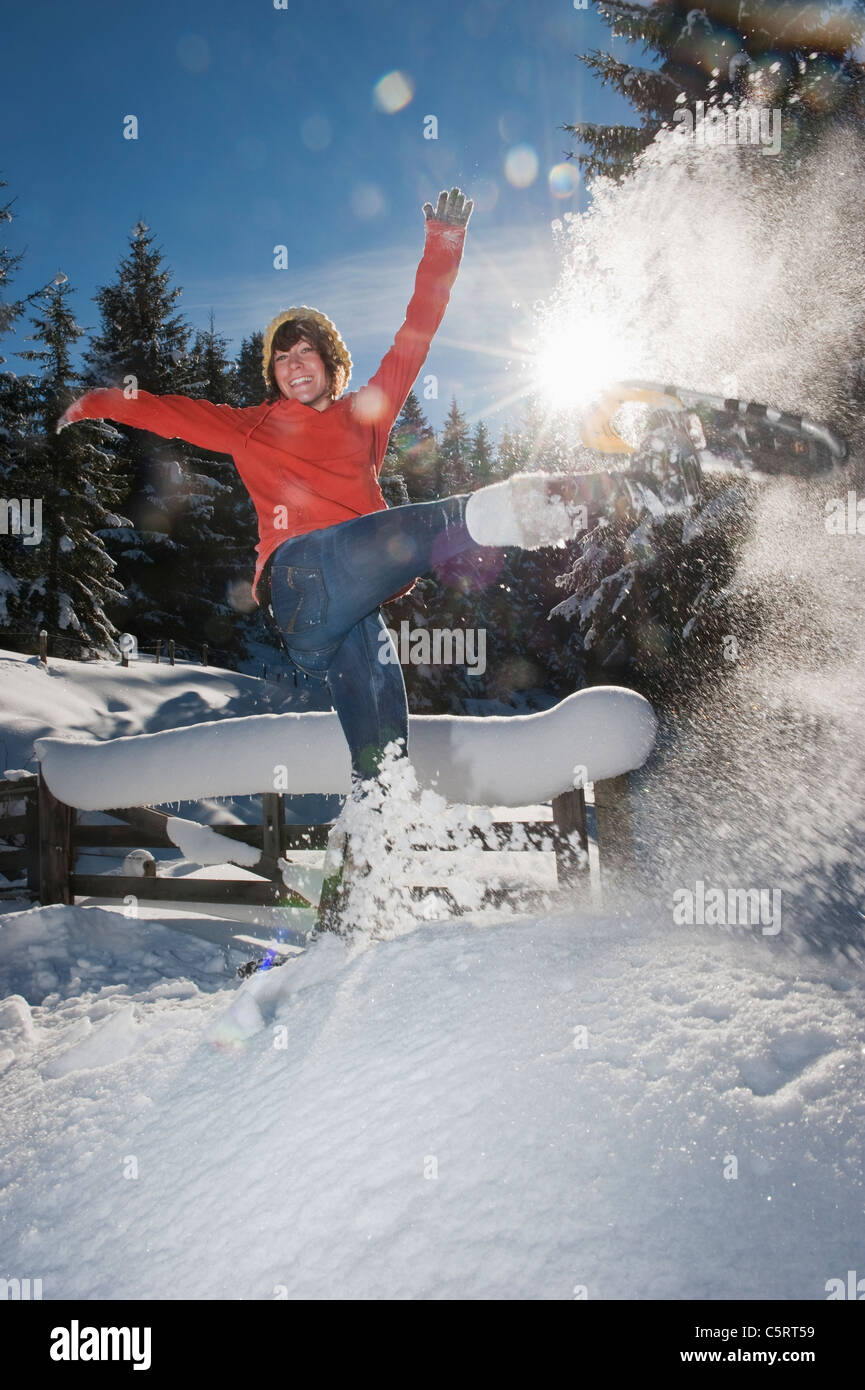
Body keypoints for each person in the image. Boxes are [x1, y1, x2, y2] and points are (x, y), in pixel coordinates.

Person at [57, 185, 628, 929]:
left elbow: (414, 335)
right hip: (298, 581)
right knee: (405, 534)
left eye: (308, 354)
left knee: (381, 764)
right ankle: (507, 510)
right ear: (274, 372)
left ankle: (352, 907)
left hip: (349, 610)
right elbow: (166, 410)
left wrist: (443, 240)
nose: (296, 365)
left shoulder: (366, 415)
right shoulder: (251, 425)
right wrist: (93, 401)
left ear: (331, 363)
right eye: (283, 357)